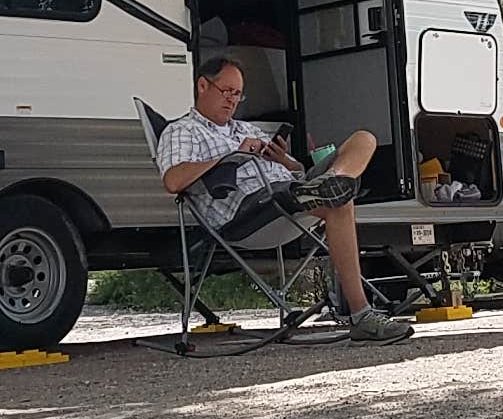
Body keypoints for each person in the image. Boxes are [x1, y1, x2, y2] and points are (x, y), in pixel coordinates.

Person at [155, 55, 414, 344]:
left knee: (363, 139)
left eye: (237, 94)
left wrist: (284, 160)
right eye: (226, 91)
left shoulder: (247, 128)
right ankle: (361, 315)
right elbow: (173, 180)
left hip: (289, 191)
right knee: (338, 203)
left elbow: (297, 171)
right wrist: (232, 156)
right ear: (202, 85)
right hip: (250, 210)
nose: (231, 100)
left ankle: (332, 181)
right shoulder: (181, 131)